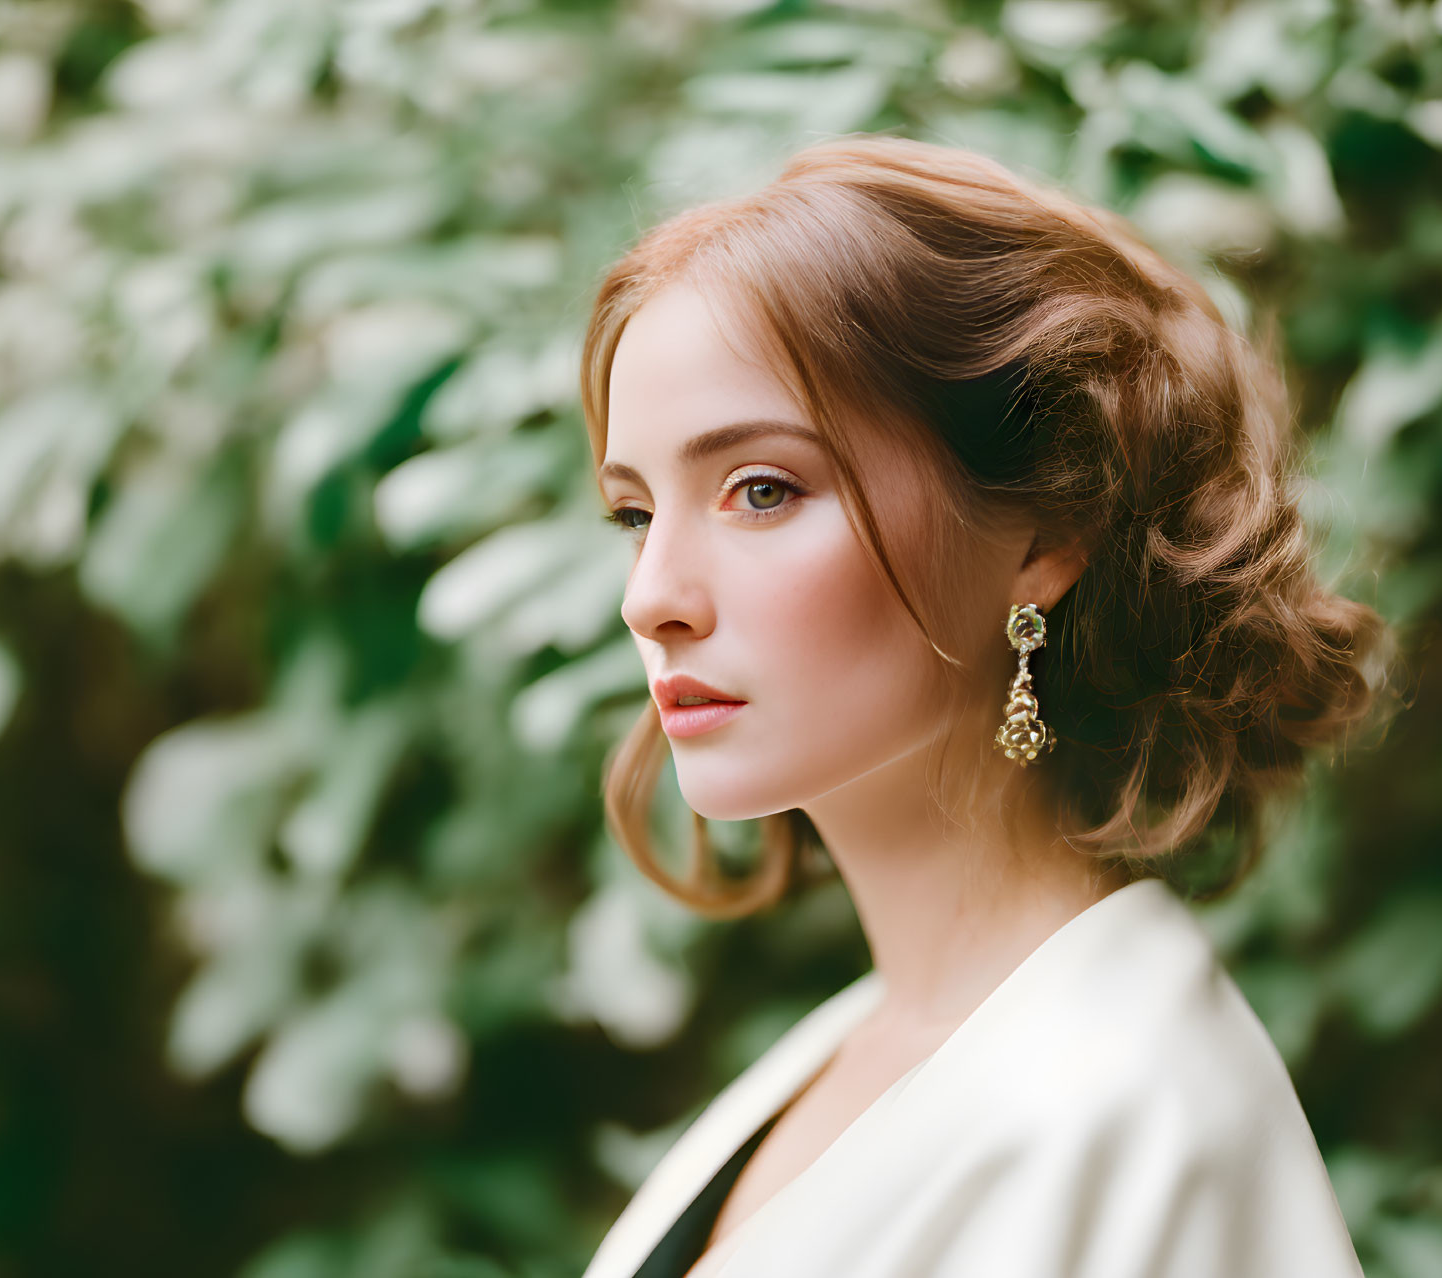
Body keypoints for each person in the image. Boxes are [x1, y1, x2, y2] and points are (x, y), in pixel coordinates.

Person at [576, 134, 1394, 1278]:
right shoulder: (869, 1047)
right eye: (634, 513)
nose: (650, 597)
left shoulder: (1123, 1120)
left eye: (760, 490)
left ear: (1045, 529)